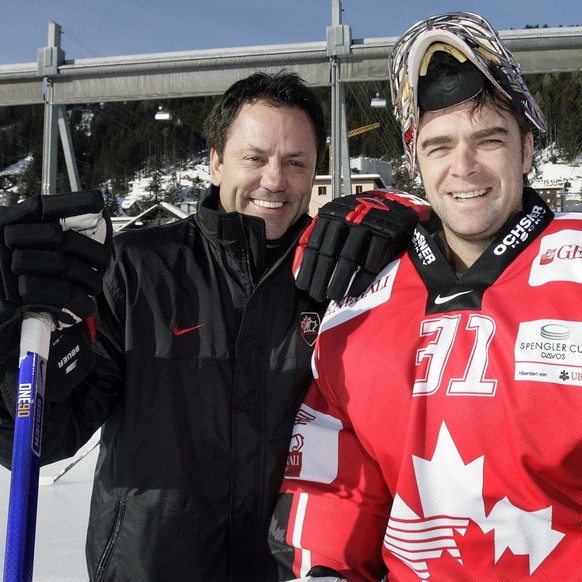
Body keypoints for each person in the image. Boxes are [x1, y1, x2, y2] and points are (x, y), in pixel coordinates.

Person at [0, 71, 420, 581]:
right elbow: (48, 435)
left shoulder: (343, 281)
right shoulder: (136, 270)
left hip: (293, 571)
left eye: (295, 162)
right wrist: (8, 356)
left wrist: (410, 219)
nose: (274, 180)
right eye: (254, 157)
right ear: (216, 163)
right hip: (152, 568)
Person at [269, 12, 582, 581]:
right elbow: (336, 482)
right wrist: (327, 570)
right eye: (439, 146)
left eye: (489, 139)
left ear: (528, 147)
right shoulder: (359, 301)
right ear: (416, 160)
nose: (463, 167)